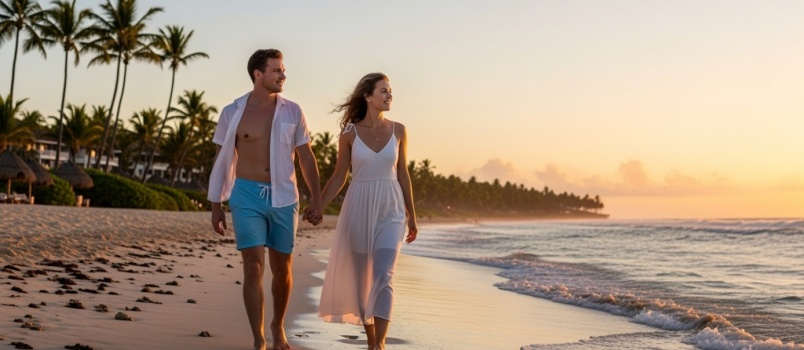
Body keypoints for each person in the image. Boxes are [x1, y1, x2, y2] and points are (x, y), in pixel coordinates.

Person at [208, 49, 323, 350]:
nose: (283, 76)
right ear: (258, 75)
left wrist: (318, 199)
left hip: (284, 195)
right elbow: (221, 159)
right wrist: (216, 204)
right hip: (245, 193)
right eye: (276, 71)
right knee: (252, 265)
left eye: (283, 70)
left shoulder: (293, 111)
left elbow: (306, 158)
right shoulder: (232, 112)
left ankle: (277, 325)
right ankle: (259, 338)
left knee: (282, 268)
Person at [317, 72, 418, 350]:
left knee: (384, 275)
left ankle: (380, 344)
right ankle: (371, 340)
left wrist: (412, 216)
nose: (389, 96)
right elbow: (339, 177)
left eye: (390, 91)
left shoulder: (399, 130)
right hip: (358, 207)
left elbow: (404, 174)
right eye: (383, 91)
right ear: (368, 96)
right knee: (363, 281)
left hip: (391, 209)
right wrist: (318, 205)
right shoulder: (349, 134)